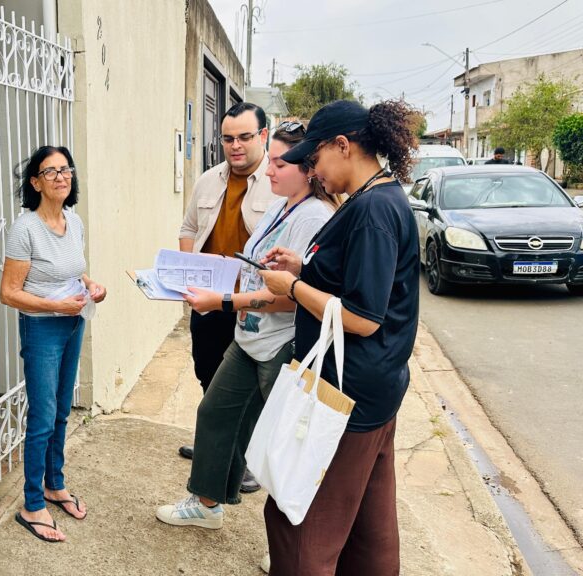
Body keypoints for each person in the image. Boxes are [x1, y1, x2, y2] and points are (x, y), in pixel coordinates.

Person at [258, 99, 420, 575]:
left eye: (316, 158)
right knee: (369, 530)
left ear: (343, 146)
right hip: (374, 388)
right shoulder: (379, 198)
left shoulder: (372, 209)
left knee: (299, 523)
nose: (314, 170)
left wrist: (292, 287)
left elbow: (364, 316)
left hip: (344, 396)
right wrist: (304, 268)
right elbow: (359, 284)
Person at [156, 122, 339, 529]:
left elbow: (295, 297)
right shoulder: (280, 205)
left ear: (309, 168)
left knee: (282, 445)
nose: (269, 171)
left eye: (278, 163)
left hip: (284, 347)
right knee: (215, 413)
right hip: (249, 337)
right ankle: (206, 504)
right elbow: (257, 269)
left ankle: (296, 543)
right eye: (270, 161)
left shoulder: (314, 217)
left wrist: (226, 300)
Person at [0, 145, 107, 543]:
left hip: (73, 322)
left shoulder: (73, 222)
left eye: (66, 169)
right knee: (43, 417)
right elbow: (9, 293)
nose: (61, 177)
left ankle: (53, 484)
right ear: (35, 182)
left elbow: (72, 271)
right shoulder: (25, 228)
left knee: (62, 410)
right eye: (50, 172)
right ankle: (32, 504)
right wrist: (53, 305)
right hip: (43, 328)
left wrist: (90, 284)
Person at [177, 102, 276, 470]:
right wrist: (188, 271)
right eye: (228, 138)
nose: (236, 146)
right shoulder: (208, 180)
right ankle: (213, 448)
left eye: (245, 137)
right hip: (209, 301)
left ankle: (244, 461)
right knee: (208, 374)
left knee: (248, 388)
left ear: (263, 136)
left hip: (252, 307)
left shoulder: (278, 182)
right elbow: (188, 229)